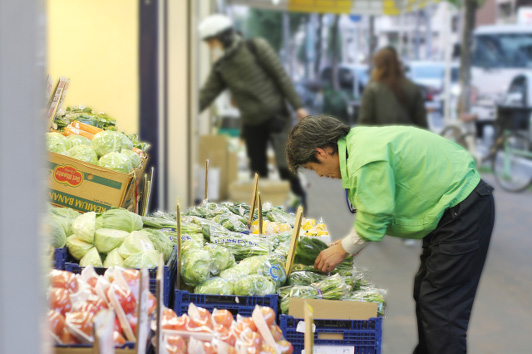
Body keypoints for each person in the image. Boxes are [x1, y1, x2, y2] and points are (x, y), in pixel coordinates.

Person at [286, 115, 495, 354]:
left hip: (463, 209)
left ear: (321, 152)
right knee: (427, 294)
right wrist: (351, 243)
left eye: (314, 168)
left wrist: (343, 249)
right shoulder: (358, 145)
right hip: (451, 210)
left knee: (441, 303)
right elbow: (375, 208)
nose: (321, 175)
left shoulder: (364, 159)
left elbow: (375, 215)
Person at [198, 14, 309, 208]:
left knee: (286, 167)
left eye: (212, 42)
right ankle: (264, 214)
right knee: (257, 173)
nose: (211, 47)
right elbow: (207, 94)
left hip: (276, 116)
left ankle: (301, 210)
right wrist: (187, 114)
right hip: (251, 122)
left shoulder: (256, 47)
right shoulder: (221, 66)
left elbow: (281, 77)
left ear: (224, 37)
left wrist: (298, 106)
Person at [358, 47, 428, 129]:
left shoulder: (373, 89)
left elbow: (364, 124)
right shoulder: (412, 88)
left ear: (378, 65)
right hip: (407, 139)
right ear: (398, 64)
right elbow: (422, 124)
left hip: (380, 140)